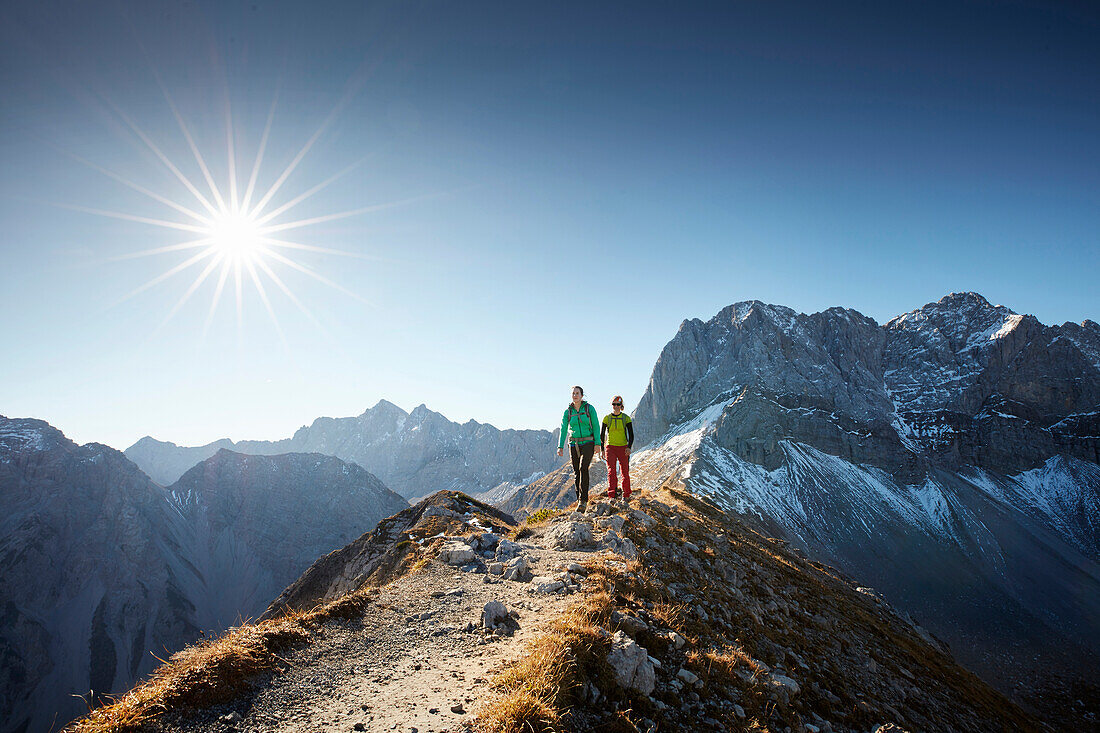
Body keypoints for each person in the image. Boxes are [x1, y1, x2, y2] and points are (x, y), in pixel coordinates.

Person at [557, 385, 602, 513]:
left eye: (577, 393)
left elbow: (596, 426)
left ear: (582, 395)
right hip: (573, 444)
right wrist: (560, 446)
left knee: (583, 468)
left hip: (588, 442)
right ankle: (579, 501)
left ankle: (583, 500)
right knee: (577, 472)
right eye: (573, 393)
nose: (575, 395)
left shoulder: (589, 409)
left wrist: (597, 443)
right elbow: (564, 429)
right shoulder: (568, 412)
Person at [601, 395, 634, 501]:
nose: (616, 406)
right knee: (611, 471)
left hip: (623, 447)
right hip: (610, 447)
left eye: (618, 404)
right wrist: (602, 449)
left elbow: (631, 434)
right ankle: (612, 495)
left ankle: (627, 494)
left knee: (625, 471)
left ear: (621, 406)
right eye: (614, 404)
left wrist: (629, 447)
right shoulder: (607, 418)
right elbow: (602, 435)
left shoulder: (626, 418)